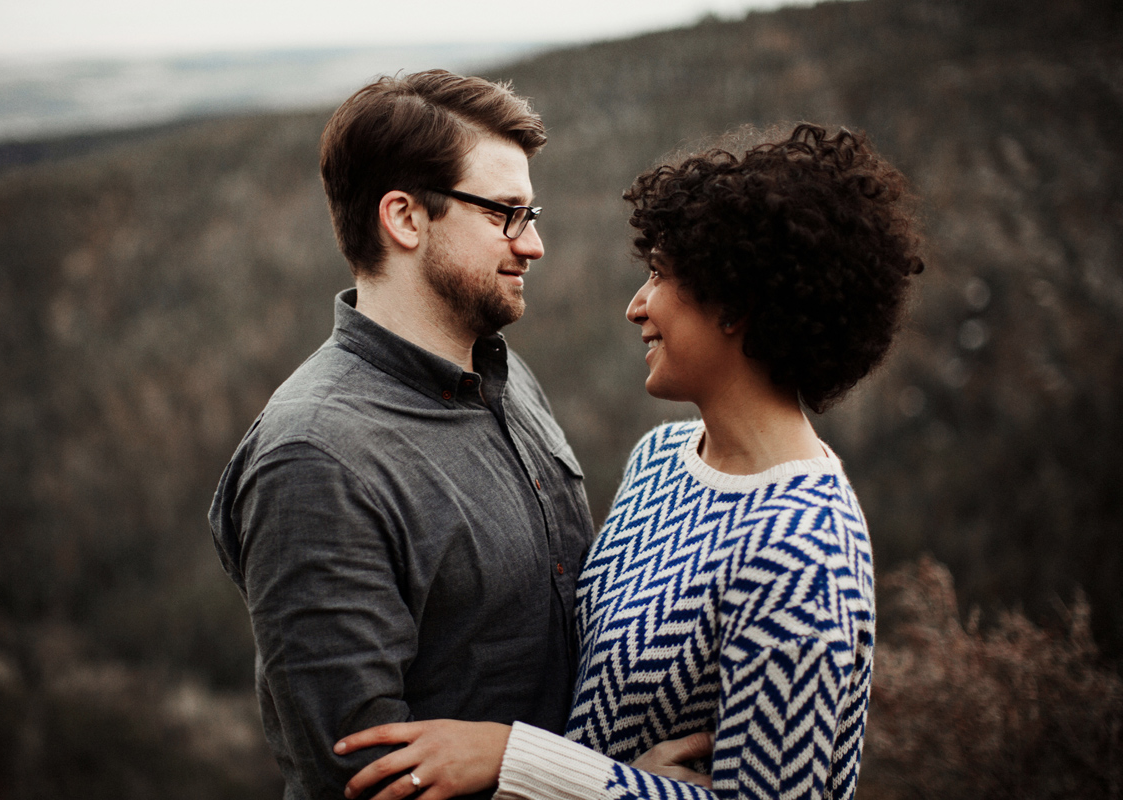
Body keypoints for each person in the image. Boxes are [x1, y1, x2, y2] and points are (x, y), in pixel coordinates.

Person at [335, 123, 925, 800]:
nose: (636, 306)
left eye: (658, 275)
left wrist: (512, 758)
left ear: (734, 303)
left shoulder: (804, 551)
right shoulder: (662, 460)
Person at [208, 70, 598, 799]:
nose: (535, 243)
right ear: (406, 219)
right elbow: (362, 781)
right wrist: (613, 789)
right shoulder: (316, 459)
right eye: (507, 214)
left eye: (531, 212)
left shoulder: (509, 379)